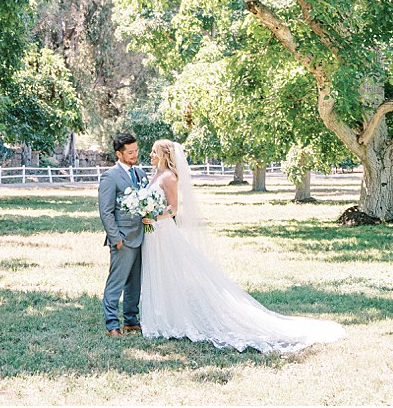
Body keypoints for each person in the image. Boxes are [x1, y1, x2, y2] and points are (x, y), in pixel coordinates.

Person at [138, 138, 345, 354]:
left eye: (154, 152)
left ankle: (172, 319)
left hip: (163, 231)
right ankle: (162, 317)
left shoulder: (170, 177)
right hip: (153, 234)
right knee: (159, 273)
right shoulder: (155, 175)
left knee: (170, 272)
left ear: (164, 155)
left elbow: (173, 209)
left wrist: (154, 216)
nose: (151, 155)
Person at [97, 131, 147, 336]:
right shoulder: (110, 176)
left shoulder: (141, 175)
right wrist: (116, 239)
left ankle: (131, 320)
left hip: (142, 236)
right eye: (130, 152)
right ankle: (112, 324)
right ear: (119, 154)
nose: (135, 155)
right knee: (116, 282)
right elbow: (106, 211)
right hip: (123, 239)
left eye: (136, 150)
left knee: (135, 282)